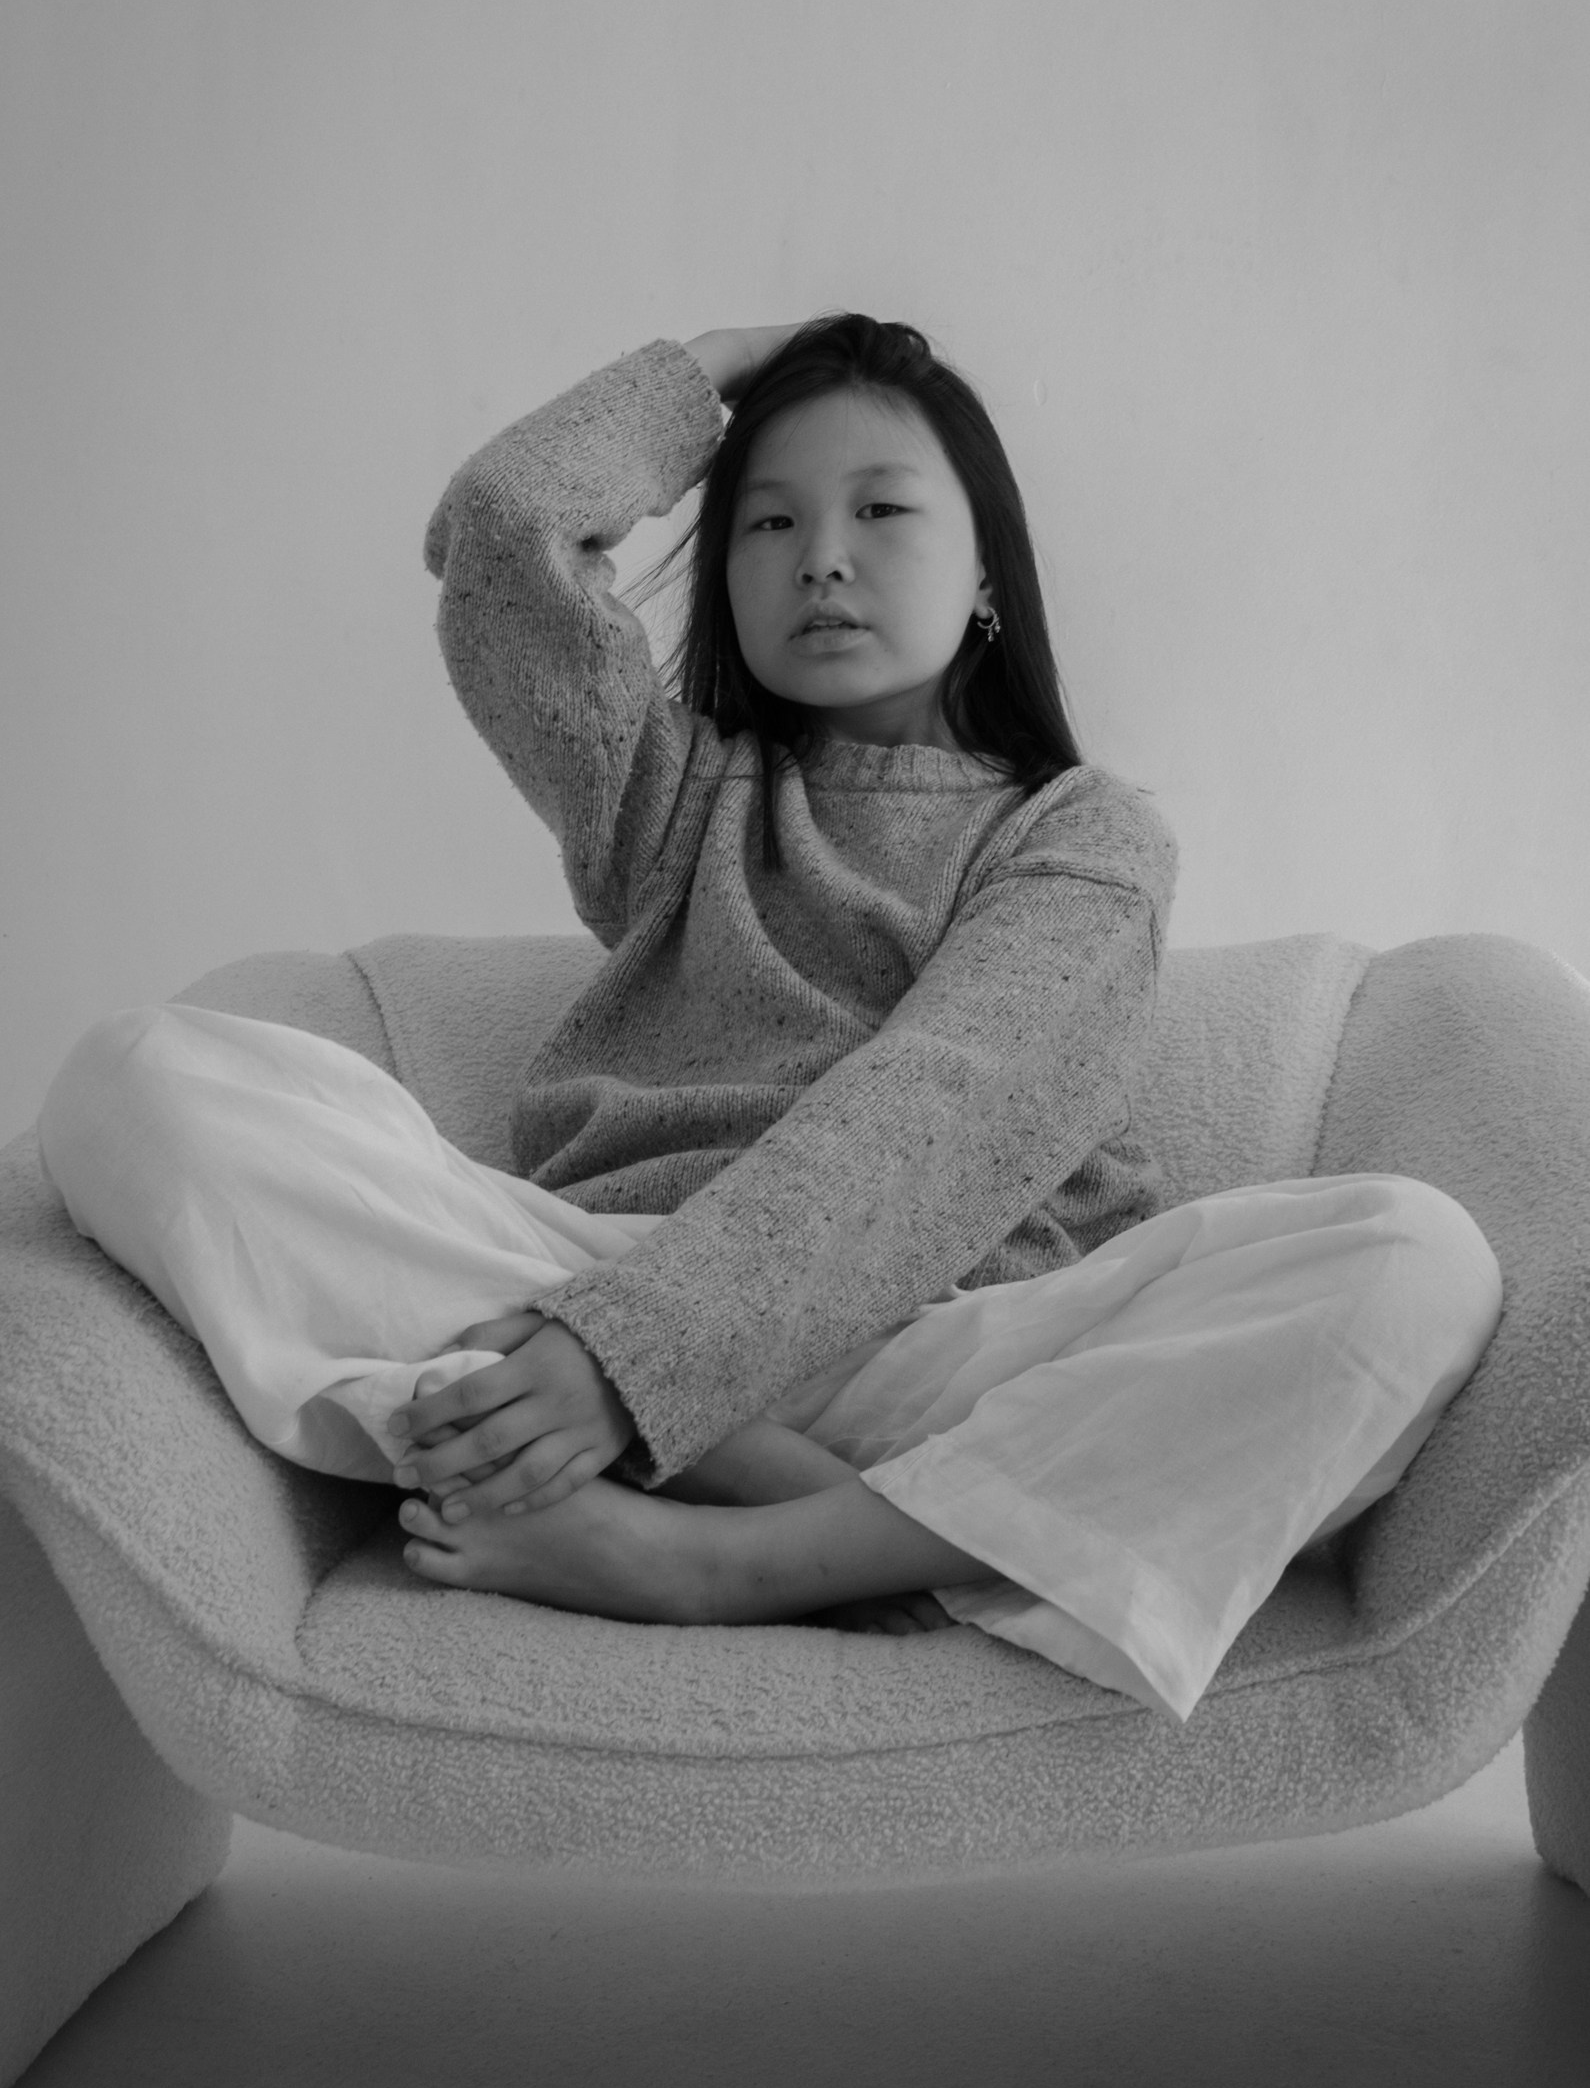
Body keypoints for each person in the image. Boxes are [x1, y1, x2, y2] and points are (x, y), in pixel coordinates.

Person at [37, 316, 1504, 1722]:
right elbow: (503, 532)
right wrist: (722, 367)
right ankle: (781, 1484)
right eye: (771, 522)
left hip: (955, 1349)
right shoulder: (669, 795)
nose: (824, 559)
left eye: (883, 510)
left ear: (987, 569)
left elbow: (945, 1115)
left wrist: (632, 1367)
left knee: (1414, 1260)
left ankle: (724, 1557)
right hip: (590, 1286)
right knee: (129, 1078)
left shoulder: (1081, 835)